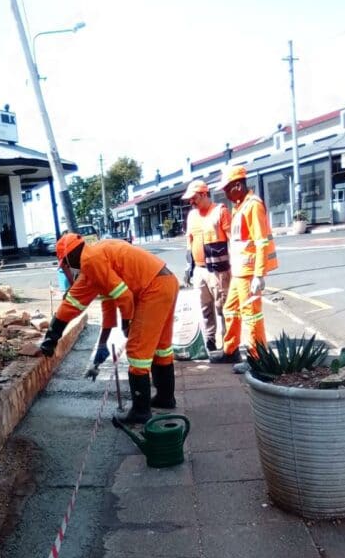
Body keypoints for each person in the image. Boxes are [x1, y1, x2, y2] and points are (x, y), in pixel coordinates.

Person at [39, 233, 179, 423]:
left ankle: (141, 412)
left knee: (138, 353)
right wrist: (102, 345)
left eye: (65, 263)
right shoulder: (97, 256)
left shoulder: (90, 260)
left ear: (69, 256)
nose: (66, 268)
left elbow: (125, 297)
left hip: (151, 289)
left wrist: (126, 323)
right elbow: (99, 306)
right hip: (166, 282)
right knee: (161, 347)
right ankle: (165, 397)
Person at [209, 165, 278, 367]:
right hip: (239, 272)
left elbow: (261, 241)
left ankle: (257, 359)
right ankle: (230, 351)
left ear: (238, 185)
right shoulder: (240, 206)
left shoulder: (253, 205)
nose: (225, 193)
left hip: (249, 273)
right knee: (230, 310)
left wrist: (259, 275)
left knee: (251, 315)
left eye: (227, 189)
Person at [182, 179, 231, 352]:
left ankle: (228, 343)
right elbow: (190, 240)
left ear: (204, 194)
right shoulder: (192, 215)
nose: (191, 202)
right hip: (200, 270)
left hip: (219, 271)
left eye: (194, 198)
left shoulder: (220, 211)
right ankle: (210, 340)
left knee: (223, 307)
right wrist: (189, 266)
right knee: (205, 308)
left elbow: (231, 238)